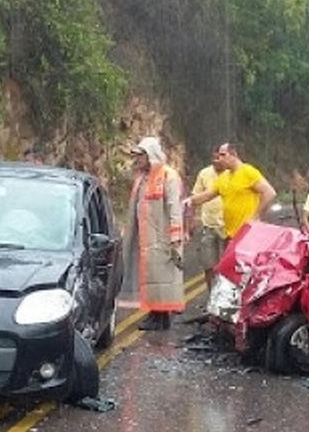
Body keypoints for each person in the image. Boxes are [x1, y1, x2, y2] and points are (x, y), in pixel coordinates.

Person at [117, 137, 186, 331]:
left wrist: (175, 236)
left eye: (140, 156)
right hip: (145, 237)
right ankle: (156, 314)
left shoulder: (168, 176)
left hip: (162, 238)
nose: (137, 160)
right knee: (150, 278)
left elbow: (174, 208)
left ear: (149, 155)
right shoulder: (141, 178)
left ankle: (160, 316)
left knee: (161, 279)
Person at [183, 142, 277, 241]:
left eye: (223, 155)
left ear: (234, 155)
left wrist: (256, 216)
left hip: (247, 233)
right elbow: (207, 195)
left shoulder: (248, 172)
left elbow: (269, 193)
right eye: (219, 155)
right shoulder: (224, 176)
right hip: (230, 234)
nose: (220, 159)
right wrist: (190, 201)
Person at [190, 149, 228, 291]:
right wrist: (191, 221)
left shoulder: (232, 174)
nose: (216, 160)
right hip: (208, 225)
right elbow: (195, 197)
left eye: (219, 157)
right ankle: (211, 295)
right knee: (208, 264)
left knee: (228, 265)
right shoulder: (204, 173)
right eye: (214, 158)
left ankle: (227, 297)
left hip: (228, 227)